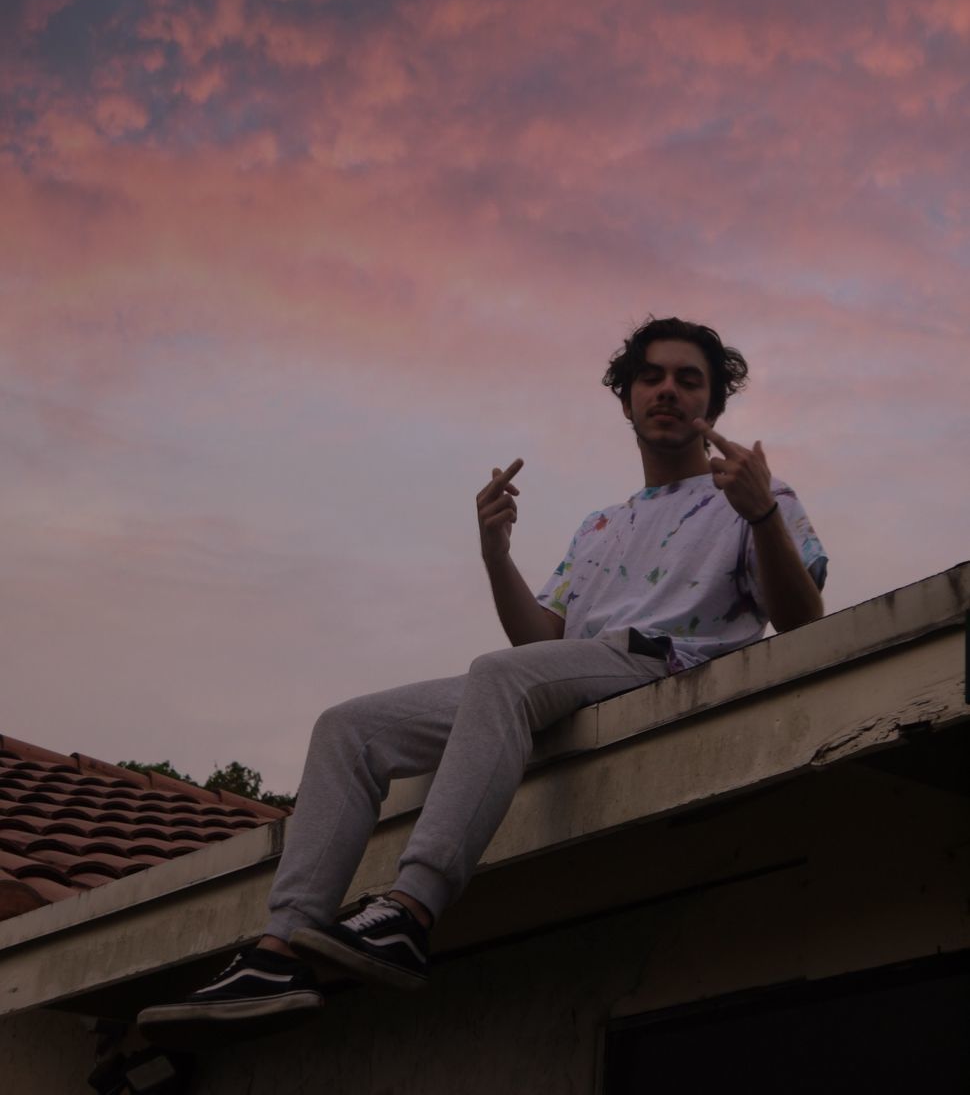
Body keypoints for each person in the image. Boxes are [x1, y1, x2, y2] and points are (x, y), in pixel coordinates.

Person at [138, 316, 827, 1044]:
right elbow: (541, 645)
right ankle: (280, 952)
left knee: (501, 678)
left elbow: (804, 621)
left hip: (663, 662)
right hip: (570, 675)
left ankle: (412, 910)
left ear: (713, 407)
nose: (668, 390)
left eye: (690, 380)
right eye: (651, 376)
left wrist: (758, 516)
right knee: (349, 728)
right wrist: (496, 553)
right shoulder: (601, 525)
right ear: (625, 400)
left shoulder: (756, 494)